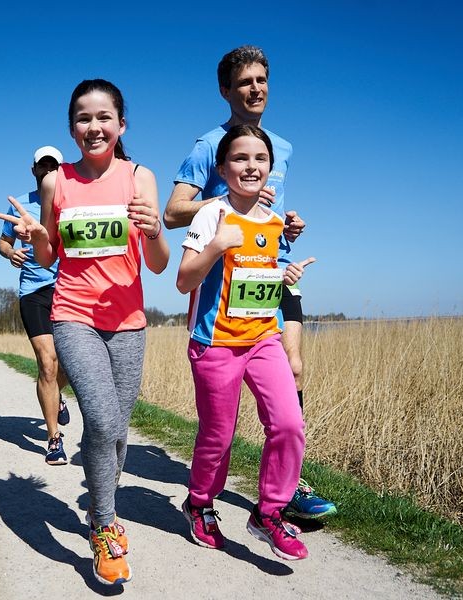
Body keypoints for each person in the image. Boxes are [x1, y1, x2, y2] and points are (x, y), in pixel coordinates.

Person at [0, 79, 169, 586]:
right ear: (72, 127)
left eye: (102, 117)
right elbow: (50, 258)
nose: (93, 127)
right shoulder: (58, 184)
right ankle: (105, 526)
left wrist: (155, 229)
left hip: (129, 323)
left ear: (121, 124)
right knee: (102, 417)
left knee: (116, 430)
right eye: (82, 118)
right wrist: (37, 235)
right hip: (72, 314)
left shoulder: (140, 178)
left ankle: (100, 506)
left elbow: (156, 266)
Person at [163, 44, 336, 523]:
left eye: (262, 80)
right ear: (226, 91)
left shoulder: (283, 146)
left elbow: (269, 208)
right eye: (245, 82)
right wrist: (228, 209)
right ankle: (205, 500)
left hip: (274, 272)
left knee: (293, 370)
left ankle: (286, 486)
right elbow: (173, 212)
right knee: (222, 420)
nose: (256, 89)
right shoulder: (207, 146)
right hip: (224, 284)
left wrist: (284, 225)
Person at [176, 124, 314, 560]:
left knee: (290, 424)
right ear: (222, 167)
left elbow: (257, 281)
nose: (250, 167)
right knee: (218, 436)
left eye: (259, 159)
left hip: (263, 339)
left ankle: (269, 512)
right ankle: (199, 503)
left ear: (271, 168)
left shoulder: (275, 222)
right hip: (215, 342)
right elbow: (184, 281)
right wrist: (216, 245)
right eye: (239, 158)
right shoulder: (210, 215)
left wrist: (283, 277)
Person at [0, 145, 72, 465]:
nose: (47, 172)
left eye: (53, 167)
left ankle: (55, 395)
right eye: (42, 167)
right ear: (33, 171)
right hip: (33, 292)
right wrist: (9, 252)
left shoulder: (71, 202)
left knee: (69, 364)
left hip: (68, 290)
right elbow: (3, 242)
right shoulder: (21, 203)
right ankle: (53, 438)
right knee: (46, 361)